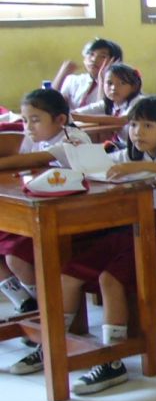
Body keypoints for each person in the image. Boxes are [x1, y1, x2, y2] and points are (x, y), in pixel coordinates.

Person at [10, 97, 156, 391]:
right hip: (133, 230)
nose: (138, 132)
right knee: (68, 274)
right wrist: (82, 162)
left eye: (147, 125)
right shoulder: (128, 154)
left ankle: (112, 360)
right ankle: (53, 345)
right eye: (133, 125)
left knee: (110, 278)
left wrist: (134, 169)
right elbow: (96, 168)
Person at [0, 90, 91, 323]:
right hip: (37, 210)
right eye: (25, 120)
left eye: (36, 120)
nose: (28, 127)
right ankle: (26, 302)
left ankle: (45, 311)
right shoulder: (33, 137)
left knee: (15, 258)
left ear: (60, 120)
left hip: (73, 217)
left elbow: (34, 160)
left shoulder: (74, 137)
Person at [71, 63, 146, 148]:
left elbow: (122, 120)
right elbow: (77, 112)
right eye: (109, 83)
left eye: (122, 83)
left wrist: (79, 117)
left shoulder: (139, 101)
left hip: (139, 149)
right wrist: (72, 115)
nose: (113, 88)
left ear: (134, 87)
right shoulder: (108, 103)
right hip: (122, 146)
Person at [51, 37, 123, 111]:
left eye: (103, 56)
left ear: (115, 62)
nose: (94, 59)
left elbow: (101, 111)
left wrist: (102, 79)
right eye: (91, 54)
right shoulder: (73, 80)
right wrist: (62, 74)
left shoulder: (117, 86)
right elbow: (49, 104)